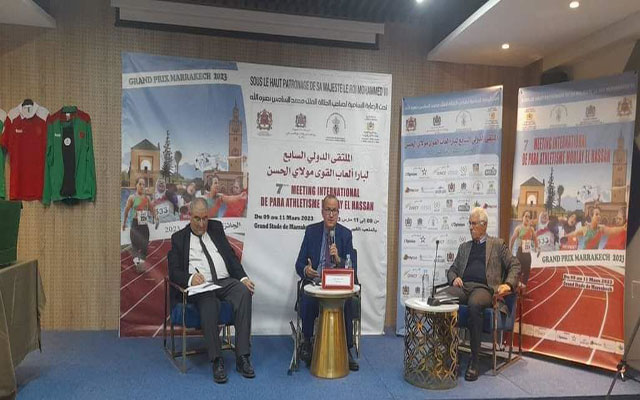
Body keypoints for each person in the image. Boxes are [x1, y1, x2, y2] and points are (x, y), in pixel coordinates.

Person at [167, 198, 256, 384]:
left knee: (243, 292)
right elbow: (173, 271)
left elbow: (230, 257)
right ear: (189, 216)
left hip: (224, 281)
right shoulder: (179, 238)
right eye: (197, 219)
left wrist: (243, 278)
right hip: (202, 286)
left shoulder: (216, 228)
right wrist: (191, 278)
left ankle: (243, 357)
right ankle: (217, 360)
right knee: (209, 301)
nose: (202, 224)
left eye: (205, 218)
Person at [444, 207, 520, 382]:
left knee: (474, 304)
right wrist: (454, 278)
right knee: (441, 299)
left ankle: (474, 361)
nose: (470, 227)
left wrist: (508, 284)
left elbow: (515, 265)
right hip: (464, 287)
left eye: (474, 224)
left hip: (484, 289)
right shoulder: (464, 247)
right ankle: (451, 354)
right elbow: (452, 269)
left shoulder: (497, 245)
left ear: (484, 225)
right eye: (469, 224)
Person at [294, 194, 358, 371]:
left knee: (347, 302)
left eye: (334, 210)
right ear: (322, 212)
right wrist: (306, 270)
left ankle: (347, 349)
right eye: (328, 210)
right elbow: (299, 263)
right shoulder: (311, 232)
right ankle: (307, 342)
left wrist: (338, 260)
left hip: (337, 286)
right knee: (308, 300)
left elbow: (352, 267)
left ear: (338, 213)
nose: (331, 214)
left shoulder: (345, 234)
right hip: (316, 284)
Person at [122, 177, 156, 273]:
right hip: (135, 224)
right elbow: (126, 210)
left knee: (145, 245)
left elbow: (152, 209)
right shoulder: (132, 198)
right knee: (135, 245)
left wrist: (156, 218)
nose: (142, 186)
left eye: (143, 184)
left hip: (144, 224)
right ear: (136, 185)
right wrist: (124, 223)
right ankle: (138, 264)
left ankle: (140, 263)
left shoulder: (147, 198)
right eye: (140, 184)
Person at [509, 210, 537, 286]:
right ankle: (516, 286)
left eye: (529, 217)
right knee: (518, 271)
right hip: (520, 252)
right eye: (526, 216)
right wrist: (510, 250)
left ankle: (523, 287)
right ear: (523, 217)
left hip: (527, 252)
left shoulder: (531, 229)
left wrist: (537, 247)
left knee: (527, 271)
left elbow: (535, 239)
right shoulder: (518, 228)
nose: (527, 218)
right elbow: (512, 240)